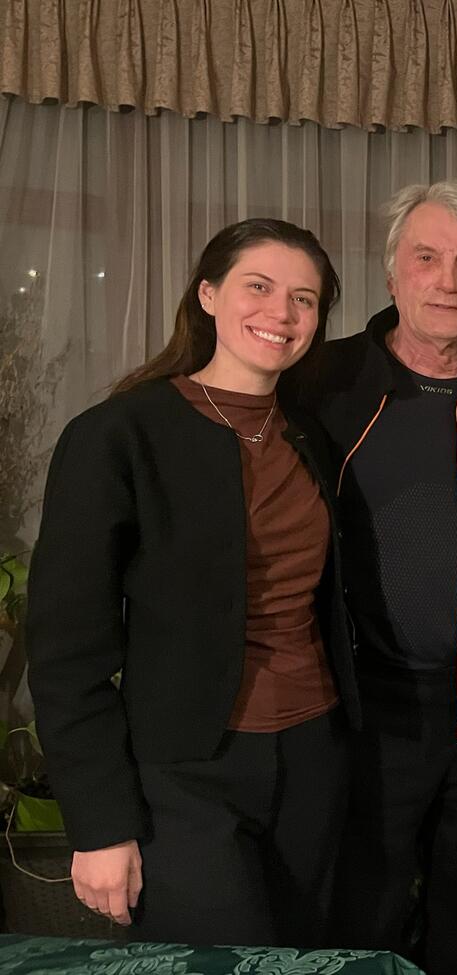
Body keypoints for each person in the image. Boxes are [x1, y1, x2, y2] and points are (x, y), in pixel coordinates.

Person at [26, 218, 359, 947]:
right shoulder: (118, 435)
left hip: (313, 760)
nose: (282, 313)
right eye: (260, 287)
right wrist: (100, 823)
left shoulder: (309, 436)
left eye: (304, 300)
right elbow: (64, 650)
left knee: (304, 963)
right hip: (182, 775)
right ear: (208, 294)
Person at [290, 180, 457, 974]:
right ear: (392, 271)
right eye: (428, 257)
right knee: (354, 926)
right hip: (364, 719)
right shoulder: (321, 385)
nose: (448, 280)